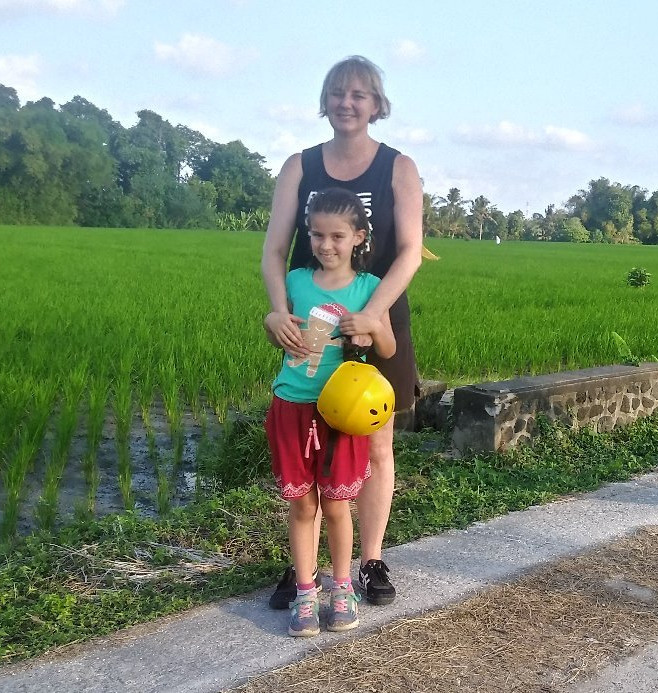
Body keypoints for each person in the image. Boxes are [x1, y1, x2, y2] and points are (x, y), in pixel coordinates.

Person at [261, 55, 423, 610]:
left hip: (376, 313)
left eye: (359, 94)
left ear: (377, 104)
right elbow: (275, 250)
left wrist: (374, 315)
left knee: (375, 440)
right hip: (313, 324)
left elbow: (409, 252)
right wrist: (278, 311)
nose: (346, 103)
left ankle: (369, 558)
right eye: (337, 93)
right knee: (309, 435)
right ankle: (304, 565)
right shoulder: (300, 166)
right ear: (325, 101)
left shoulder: (398, 167)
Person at [264, 187, 396, 637]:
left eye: (338, 236)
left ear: (358, 237)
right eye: (317, 234)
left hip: (340, 417)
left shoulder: (370, 289)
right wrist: (272, 322)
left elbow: (390, 348)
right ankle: (306, 592)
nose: (326, 244)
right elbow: (279, 331)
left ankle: (342, 588)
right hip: (292, 406)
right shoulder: (296, 281)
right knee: (302, 505)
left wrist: (372, 326)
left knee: (339, 506)